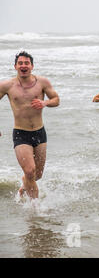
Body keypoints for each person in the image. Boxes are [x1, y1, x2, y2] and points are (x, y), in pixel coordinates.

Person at [0, 51, 60, 200]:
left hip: (40, 132)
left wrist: (44, 102)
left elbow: (56, 99)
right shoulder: (7, 85)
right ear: (15, 66)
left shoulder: (42, 82)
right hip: (21, 134)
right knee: (30, 171)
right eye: (20, 63)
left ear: (32, 66)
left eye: (26, 63)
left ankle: (24, 185)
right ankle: (35, 209)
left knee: (37, 175)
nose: (23, 66)